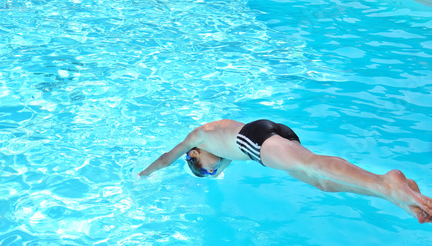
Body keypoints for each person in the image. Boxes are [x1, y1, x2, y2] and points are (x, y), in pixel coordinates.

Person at [139, 119, 432, 223]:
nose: (209, 173)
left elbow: (166, 158)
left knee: (312, 164)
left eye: (202, 171)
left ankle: (385, 183)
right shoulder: (218, 147)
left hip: (254, 139)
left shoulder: (198, 138)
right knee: (322, 183)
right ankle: (394, 197)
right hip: (268, 136)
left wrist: (142, 176)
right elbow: (220, 162)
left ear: (194, 155)